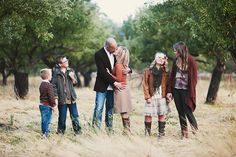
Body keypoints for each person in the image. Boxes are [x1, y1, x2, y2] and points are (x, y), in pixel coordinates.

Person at [92, 37, 126, 132]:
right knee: (99, 108)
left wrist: (129, 70)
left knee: (110, 109)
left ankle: (109, 129)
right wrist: (115, 82)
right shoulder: (99, 54)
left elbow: (123, 63)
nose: (115, 50)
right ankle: (95, 130)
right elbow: (103, 72)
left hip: (112, 88)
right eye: (113, 48)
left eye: (116, 48)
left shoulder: (115, 55)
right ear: (107, 46)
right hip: (102, 86)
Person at [166, 41, 198, 138]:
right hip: (176, 89)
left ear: (181, 50)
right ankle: (184, 134)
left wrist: (191, 92)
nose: (174, 52)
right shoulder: (176, 60)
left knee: (188, 111)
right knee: (180, 112)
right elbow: (172, 76)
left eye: (175, 50)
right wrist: (169, 91)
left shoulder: (191, 61)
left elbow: (194, 79)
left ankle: (196, 132)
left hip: (186, 91)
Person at [52, 55, 82, 135]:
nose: (67, 62)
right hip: (62, 99)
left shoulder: (71, 70)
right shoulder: (56, 73)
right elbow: (53, 86)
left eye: (67, 60)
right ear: (60, 64)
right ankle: (61, 133)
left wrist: (73, 78)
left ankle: (78, 132)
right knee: (62, 118)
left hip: (71, 98)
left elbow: (75, 83)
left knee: (75, 116)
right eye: (65, 61)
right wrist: (56, 98)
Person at [143, 52, 170, 138]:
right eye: (159, 57)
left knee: (161, 115)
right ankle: (147, 134)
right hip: (151, 97)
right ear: (155, 58)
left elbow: (168, 84)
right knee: (148, 115)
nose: (161, 59)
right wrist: (147, 96)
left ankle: (161, 134)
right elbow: (145, 84)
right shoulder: (148, 71)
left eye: (163, 58)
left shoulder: (166, 72)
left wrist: (168, 96)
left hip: (161, 97)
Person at [107, 46, 133, 134]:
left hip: (121, 90)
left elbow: (118, 79)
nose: (115, 49)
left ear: (120, 53)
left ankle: (127, 131)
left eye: (117, 49)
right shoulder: (123, 64)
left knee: (123, 111)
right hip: (125, 89)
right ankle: (127, 131)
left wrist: (109, 74)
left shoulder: (118, 65)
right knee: (124, 111)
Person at [39, 68, 56, 138]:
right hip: (47, 105)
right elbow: (51, 97)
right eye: (51, 75)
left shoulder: (42, 84)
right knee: (47, 120)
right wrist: (54, 105)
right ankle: (45, 134)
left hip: (41, 104)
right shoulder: (49, 85)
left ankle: (44, 132)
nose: (52, 76)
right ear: (48, 76)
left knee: (43, 120)